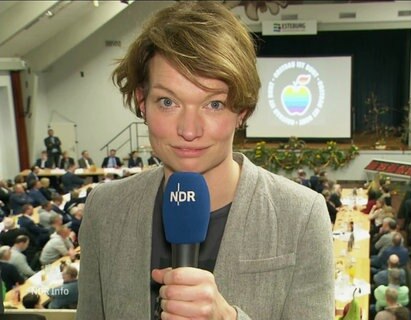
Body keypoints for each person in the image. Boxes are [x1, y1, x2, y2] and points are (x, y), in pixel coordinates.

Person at [77, 2, 334, 320]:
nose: (188, 130)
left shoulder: (301, 215)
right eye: (168, 102)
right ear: (142, 103)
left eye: (213, 104)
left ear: (242, 111)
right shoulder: (105, 209)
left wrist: (228, 318)